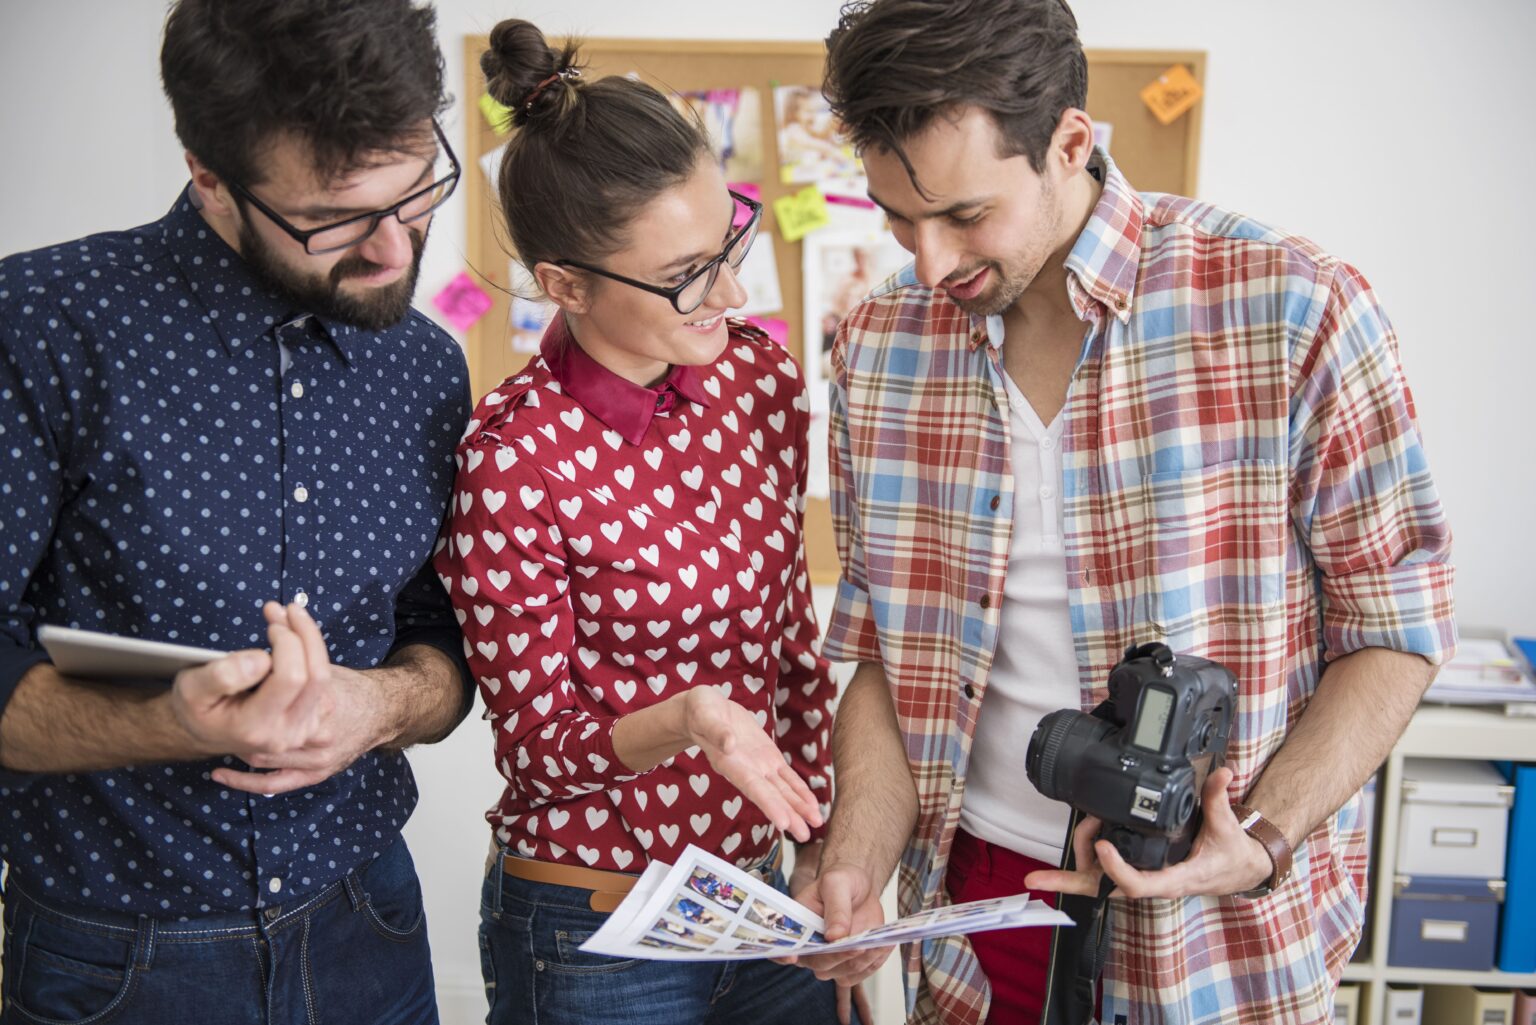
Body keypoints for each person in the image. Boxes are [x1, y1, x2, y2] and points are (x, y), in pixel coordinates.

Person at [787, 1, 1457, 1023]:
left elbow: (1398, 626)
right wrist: (854, 856)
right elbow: (887, 658)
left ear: (1069, 142)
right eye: (895, 217)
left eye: (964, 215)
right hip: (973, 924)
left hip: (1224, 946)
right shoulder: (878, 348)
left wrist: (1264, 835)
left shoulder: (1292, 304)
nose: (926, 262)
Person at [0, 2, 473, 1022]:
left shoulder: (428, 364)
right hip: (120, 954)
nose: (396, 249)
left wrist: (377, 706)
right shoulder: (39, 325)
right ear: (209, 173)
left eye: (418, 190)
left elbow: (444, 641)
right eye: (339, 217)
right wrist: (164, 721)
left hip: (372, 924)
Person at [434, 20, 859, 1025]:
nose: (733, 292)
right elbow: (538, 746)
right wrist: (689, 718)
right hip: (596, 924)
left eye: (730, 244)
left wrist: (821, 845)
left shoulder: (755, 375)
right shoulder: (511, 460)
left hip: (759, 901)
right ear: (564, 286)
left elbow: (787, 641)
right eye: (684, 277)